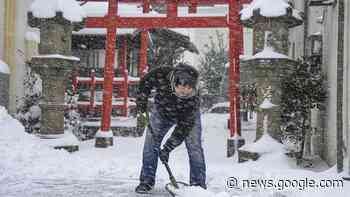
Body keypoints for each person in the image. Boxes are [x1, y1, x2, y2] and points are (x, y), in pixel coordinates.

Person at [135, 63, 206, 194]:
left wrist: (167, 149)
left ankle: (198, 186)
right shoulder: (162, 74)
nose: (184, 91)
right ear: (174, 83)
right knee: (150, 144)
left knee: (194, 146)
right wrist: (141, 100)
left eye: (188, 88)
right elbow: (145, 82)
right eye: (181, 87)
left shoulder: (193, 102)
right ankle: (146, 181)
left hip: (185, 116)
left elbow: (182, 129)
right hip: (162, 112)